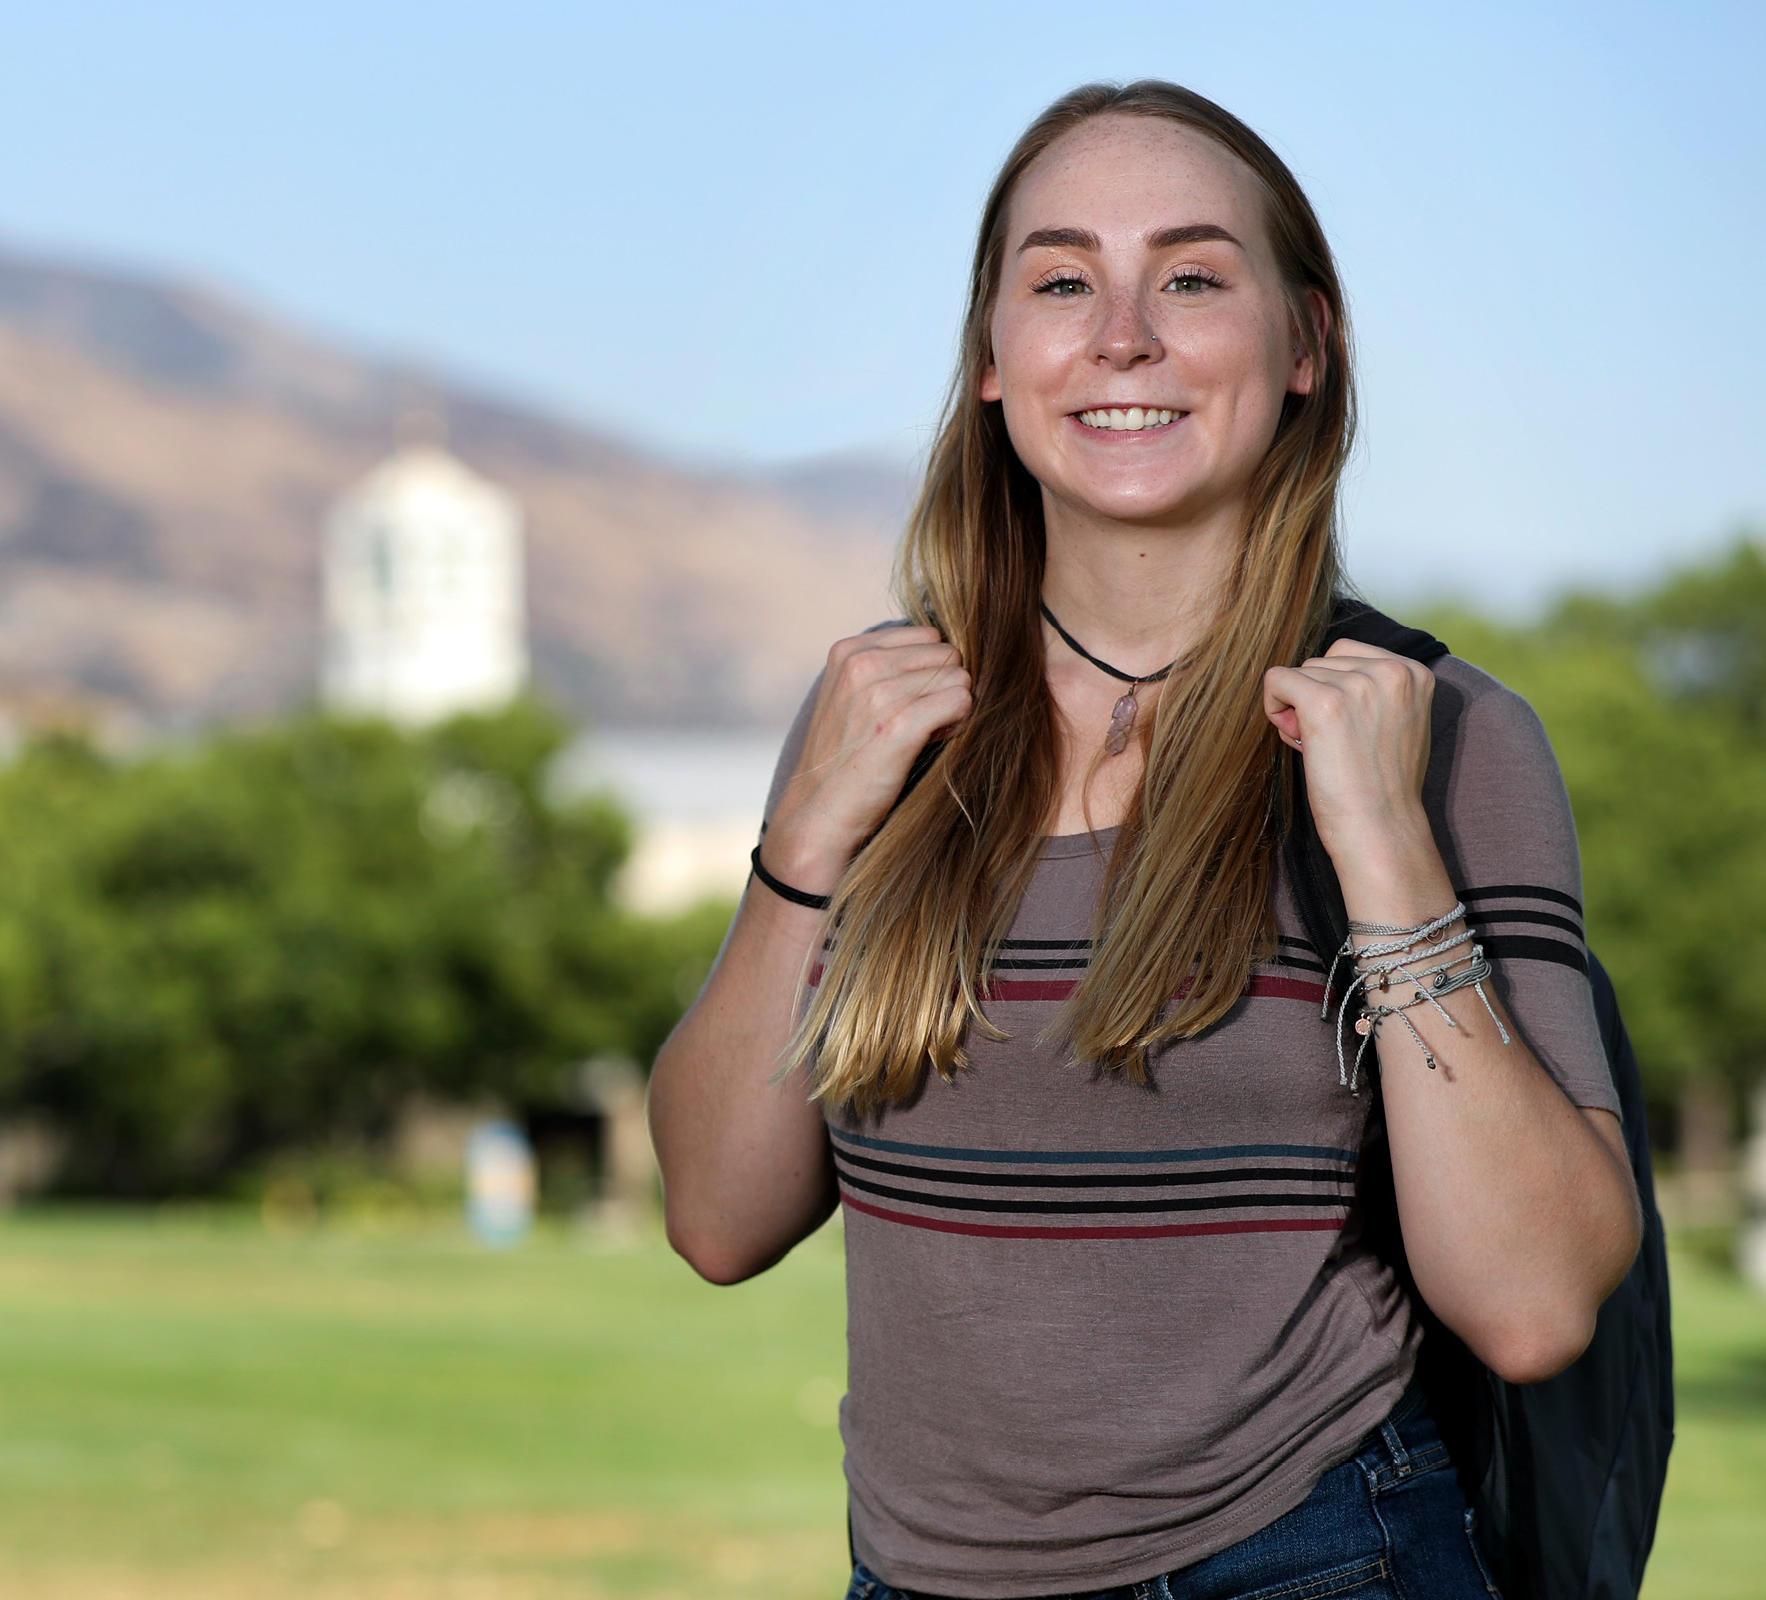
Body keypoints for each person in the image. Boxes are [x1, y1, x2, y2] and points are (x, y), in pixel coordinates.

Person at [648, 81, 1642, 1600]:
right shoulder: (876, 720)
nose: (1123, 334)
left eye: (1191, 276)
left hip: (1319, 1559)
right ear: (993, 359)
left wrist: (1386, 852)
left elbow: (1533, 1309)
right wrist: (803, 840)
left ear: (1309, 345)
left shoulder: (1440, 732)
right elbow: (718, 1221)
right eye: (1060, 281)